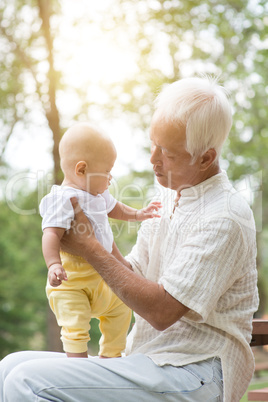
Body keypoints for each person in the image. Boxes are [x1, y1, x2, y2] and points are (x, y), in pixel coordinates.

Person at [0, 76, 259, 402]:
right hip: (150, 359)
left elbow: (162, 311)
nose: (153, 160)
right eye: (153, 144)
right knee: (8, 368)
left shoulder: (225, 217)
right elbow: (130, 274)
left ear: (205, 158)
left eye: (167, 153)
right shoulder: (167, 199)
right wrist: (88, 229)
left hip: (196, 371)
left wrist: (91, 249)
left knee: (26, 382)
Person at [39, 122, 161, 358]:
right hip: (72, 277)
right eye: (106, 171)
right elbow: (51, 233)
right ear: (82, 170)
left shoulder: (98, 194)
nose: (110, 177)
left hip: (102, 275)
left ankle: (111, 357)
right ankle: (78, 364)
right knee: (75, 324)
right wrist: (54, 264)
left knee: (122, 307)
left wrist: (138, 214)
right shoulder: (62, 199)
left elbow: (115, 208)